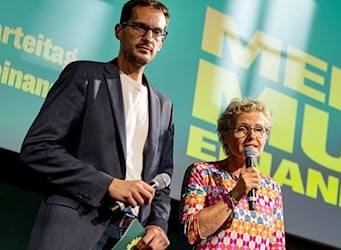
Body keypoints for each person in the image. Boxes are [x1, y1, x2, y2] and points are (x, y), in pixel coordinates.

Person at [19, 0, 173, 249]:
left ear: (162, 41)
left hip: (129, 238)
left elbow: (163, 178)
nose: (148, 37)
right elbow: (38, 147)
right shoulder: (85, 76)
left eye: (157, 32)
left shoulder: (164, 106)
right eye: (139, 27)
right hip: (74, 225)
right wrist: (108, 185)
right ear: (119, 31)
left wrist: (157, 224)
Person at [179, 98, 286, 249]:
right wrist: (236, 193)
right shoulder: (203, 172)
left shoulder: (272, 188)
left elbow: (277, 245)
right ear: (224, 137)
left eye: (259, 130)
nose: (252, 137)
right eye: (243, 129)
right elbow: (191, 231)